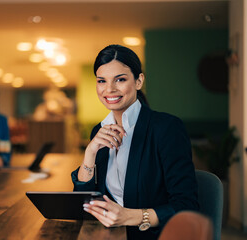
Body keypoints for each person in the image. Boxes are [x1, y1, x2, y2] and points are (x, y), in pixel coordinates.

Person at [71, 44, 199, 239]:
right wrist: (90, 152)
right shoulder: (100, 131)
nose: (109, 89)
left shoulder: (167, 128)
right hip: (111, 235)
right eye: (101, 81)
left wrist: (131, 216)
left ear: (139, 81)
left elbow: (186, 206)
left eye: (120, 79)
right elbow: (86, 203)